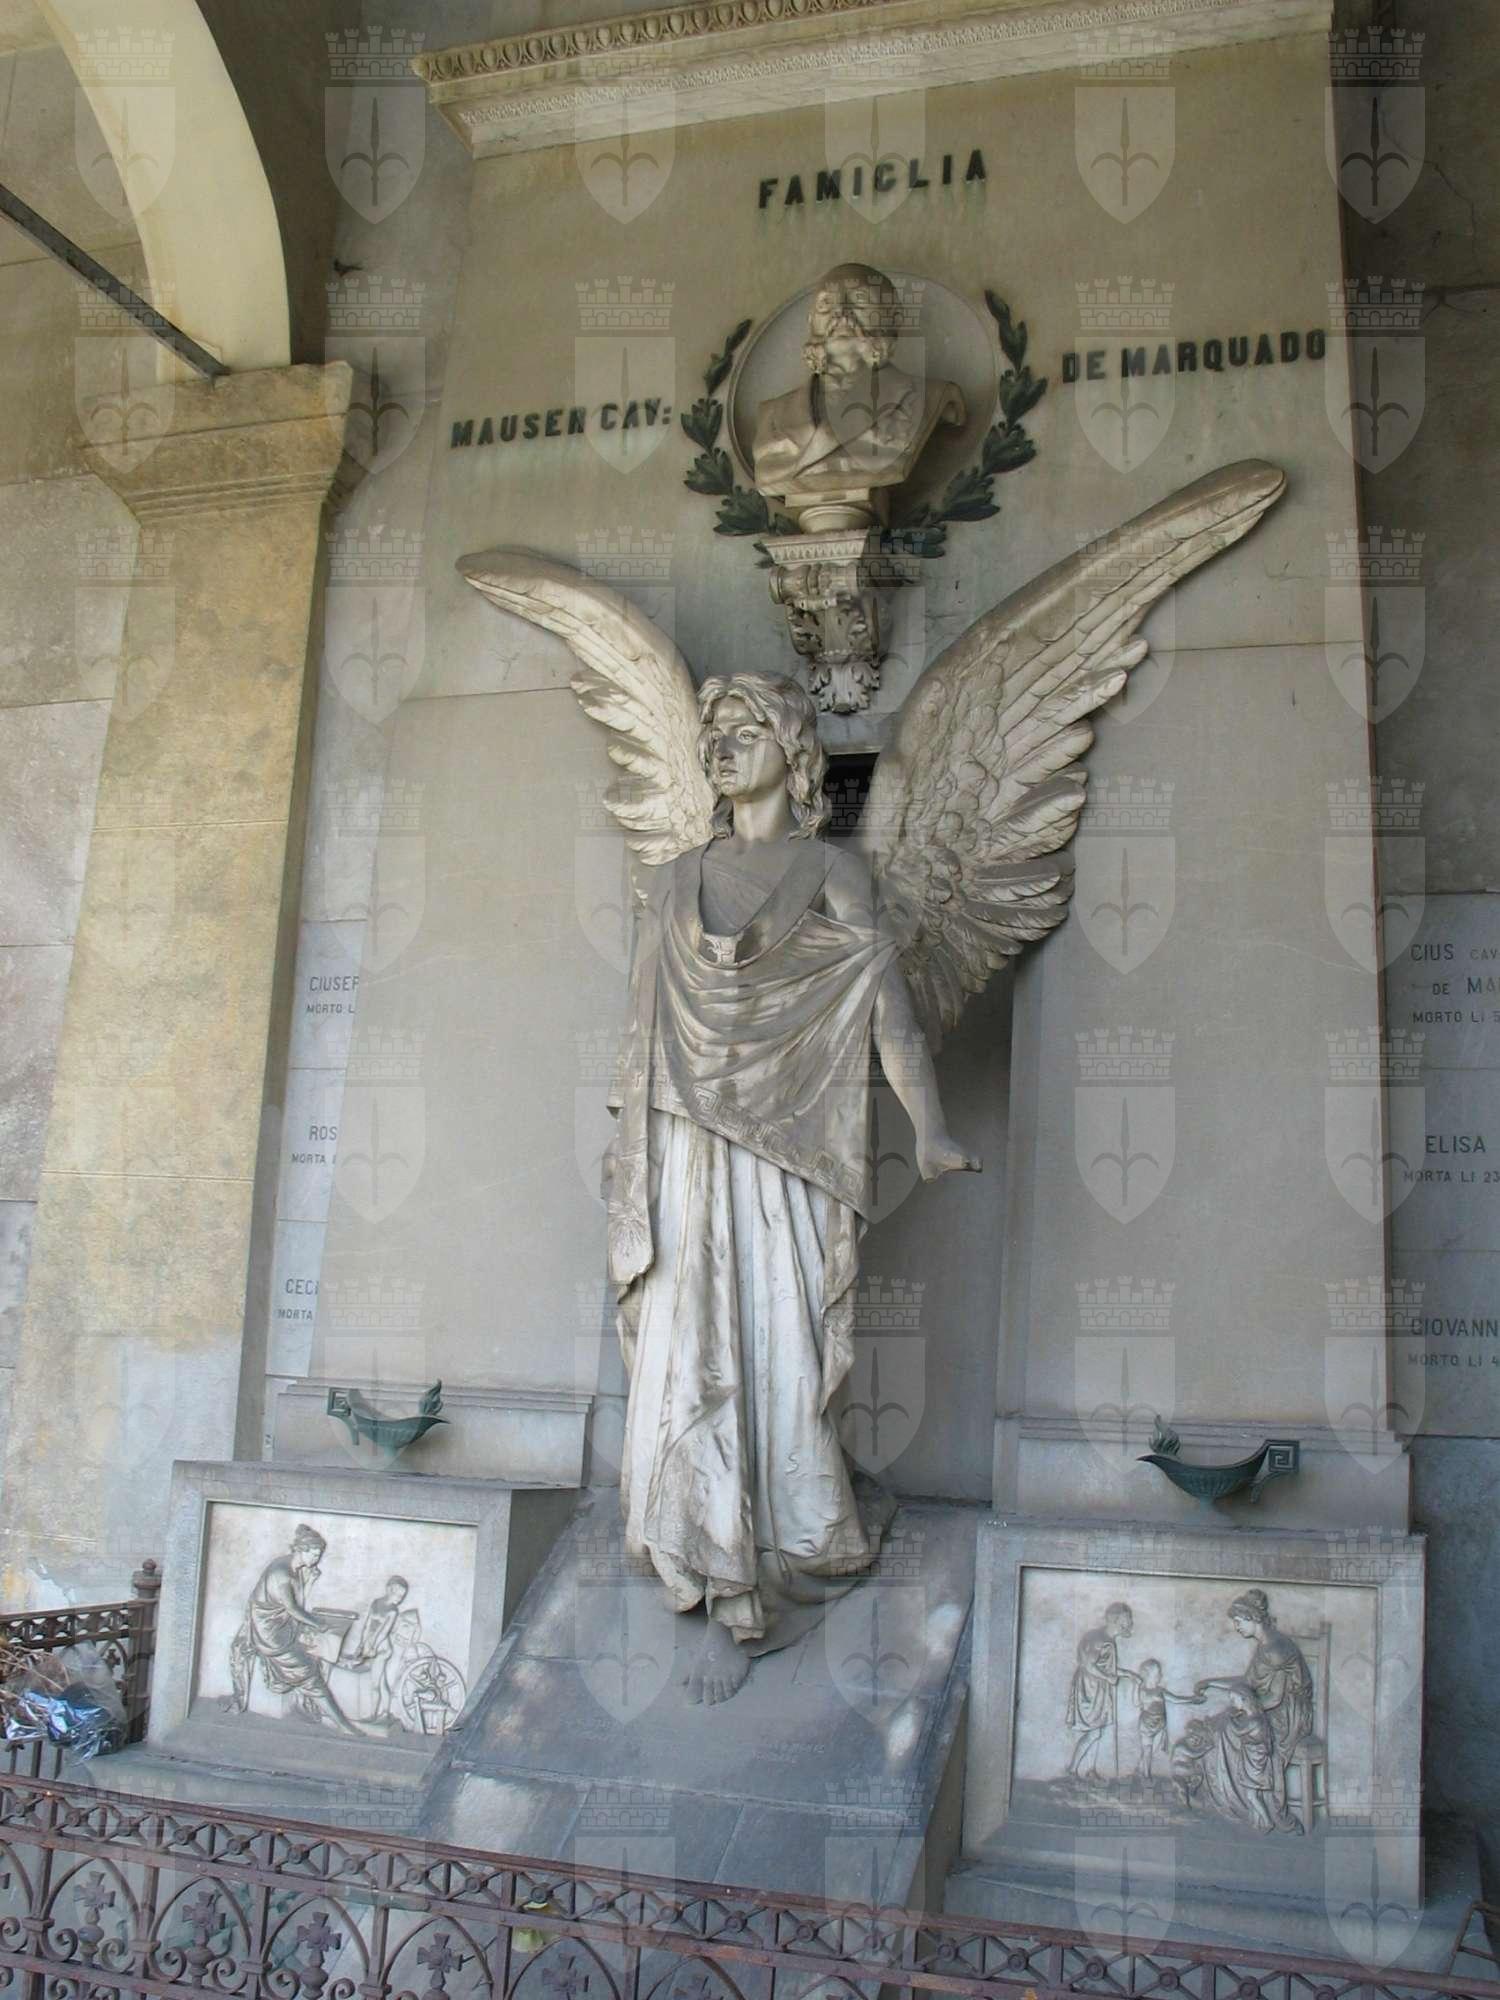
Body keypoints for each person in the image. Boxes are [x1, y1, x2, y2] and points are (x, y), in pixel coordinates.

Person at [604, 673, 976, 1704]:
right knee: (689, 1347)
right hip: (686, 1145)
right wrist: (629, 1156)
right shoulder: (672, 880)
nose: (722, 745)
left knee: (777, 1343)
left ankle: (772, 1549)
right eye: (712, 732)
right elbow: (638, 1033)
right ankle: (710, 1561)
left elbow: (883, 1005)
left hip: (789, 1152)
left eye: (745, 729)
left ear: (794, 750)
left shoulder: (833, 874)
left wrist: (930, 1126)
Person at [752, 263, 965, 529]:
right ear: (811, 321)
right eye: (826, 304)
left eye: (859, 300)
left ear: (891, 317)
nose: (841, 313)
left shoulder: (928, 397)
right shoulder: (773, 413)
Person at [225, 1525, 382, 1738]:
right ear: (301, 1550)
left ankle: (311, 1707)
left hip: (282, 1625)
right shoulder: (282, 1573)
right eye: (315, 1554)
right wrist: (317, 1624)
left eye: (319, 1555)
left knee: (316, 1651)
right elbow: (292, 1608)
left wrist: (309, 1582)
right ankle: (341, 1724)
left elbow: (297, 1604)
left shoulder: (293, 1567)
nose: (317, 1559)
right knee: (308, 1673)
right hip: (269, 1633)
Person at [1195, 1589, 1313, 1816]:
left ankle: (1243, 1804)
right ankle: (1230, 1798)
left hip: (1287, 1715)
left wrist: (1243, 1711)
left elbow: (1274, 1698)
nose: (1236, 1627)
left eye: (1239, 1621)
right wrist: (1210, 1683)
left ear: (1253, 1618)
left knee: (1228, 1730)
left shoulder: (1276, 1650)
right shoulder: (1265, 1645)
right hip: (1268, 1706)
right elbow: (1248, 1683)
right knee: (1218, 1725)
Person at [1171, 1681, 1302, 1833]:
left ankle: (1266, 1821)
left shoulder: (1255, 1720)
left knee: (1252, 1795)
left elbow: (1238, 1730)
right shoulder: (1254, 1716)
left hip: (1255, 1763)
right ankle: (1260, 1821)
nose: (1232, 1703)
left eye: (1234, 1700)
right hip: (1251, 1760)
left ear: (1244, 1700)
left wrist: (1231, 1718)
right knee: (1252, 1794)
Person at [1065, 1602, 1134, 1779]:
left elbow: (1106, 1666)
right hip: (1089, 1688)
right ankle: (1072, 1770)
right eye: (1127, 1618)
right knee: (1094, 1732)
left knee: (1097, 1730)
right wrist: (1109, 1678)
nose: (1130, 1622)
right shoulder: (1099, 1640)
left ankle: (1090, 1770)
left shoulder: (1108, 1640)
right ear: (1115, 1620)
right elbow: (1088, 1665)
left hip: (1099, 1688)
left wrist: (1127, 1674)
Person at [1132, 1657, 1203, 1778]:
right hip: (1147, 1724)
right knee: (1147, 1750)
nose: (1160, 1676)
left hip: (1160, 1724)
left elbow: (1175, 1699)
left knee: (1154, 1748)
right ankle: (1146, 1775)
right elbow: (1136, 1703)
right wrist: (1135, 1687)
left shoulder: (1160, 1691)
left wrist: (1192, 1700)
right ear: (1147, 1675)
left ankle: (1140, 1767)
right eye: (1157, 1674)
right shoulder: (1142, 1691)